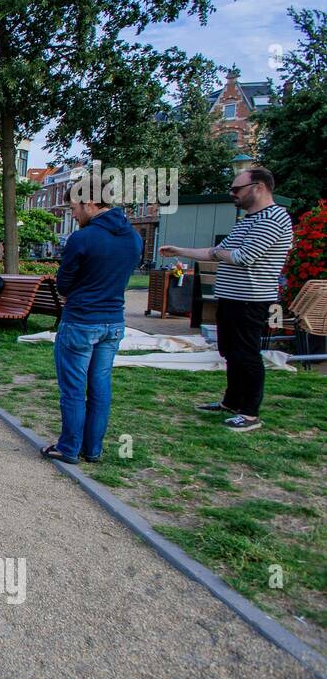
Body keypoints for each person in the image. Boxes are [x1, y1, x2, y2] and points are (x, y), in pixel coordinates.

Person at [159, 168, 293, 432]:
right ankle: (231, 402)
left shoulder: (273, 218)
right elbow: (218, 252)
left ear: (258, 187)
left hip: (251, 299)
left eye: (237, 189)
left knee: (247, 354)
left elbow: (243, 256)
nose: (233, 194)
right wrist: (180, 251)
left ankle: (250, 413)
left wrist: (222, 253)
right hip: (231, 297)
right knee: (231, 352)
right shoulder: (248, 220)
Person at [42, 186, 142, 464]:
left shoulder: (82, 238)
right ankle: (93, 449)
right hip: (114, 322)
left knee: (73, 387)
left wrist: (72, 291)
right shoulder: (133, 238)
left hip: (82, 322)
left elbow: (63, 283)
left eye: (73, 208)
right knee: (100, 386)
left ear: (89, 203)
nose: (72, 215)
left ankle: (69, 447)